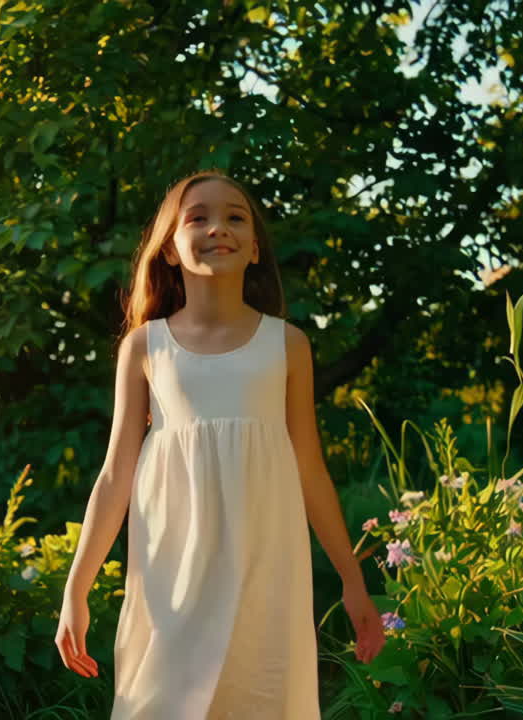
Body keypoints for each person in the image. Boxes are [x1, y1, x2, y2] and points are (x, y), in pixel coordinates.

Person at [55, 170, 385, 719]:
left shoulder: (287, 345)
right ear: (168, 248)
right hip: (172, 580)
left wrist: (353, 583)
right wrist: (76, 589)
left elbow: (310, 470)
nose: (218, 228)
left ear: (255, 248)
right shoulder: (144, 348)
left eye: (235, 217)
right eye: (198, 217)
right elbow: (115, 475)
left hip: (265, 575)